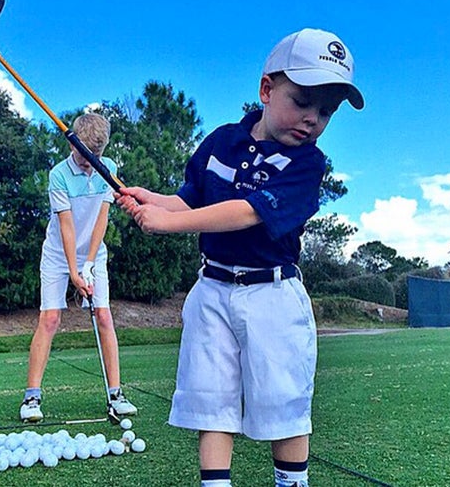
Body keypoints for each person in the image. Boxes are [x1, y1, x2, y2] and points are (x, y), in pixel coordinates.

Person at [116, 28, 364, 487]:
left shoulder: (308, 164)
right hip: (211, 291)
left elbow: (247, 213)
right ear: (267, 89)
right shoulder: (221, 141)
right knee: (212, 404)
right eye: (302, 101)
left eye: (326, 111)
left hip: (273, 296)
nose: (312, 119)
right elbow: (189, 200)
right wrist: (153, 200)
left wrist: (166, 223)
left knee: (283, 404)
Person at [20, 113, 137, 422]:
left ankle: (116, 394)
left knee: (104, 316)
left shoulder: (108, 169)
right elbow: (67, 225)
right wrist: (74, 271)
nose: (89, 163)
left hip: (94, 254)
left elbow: (102, 219)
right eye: (85, 156)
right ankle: (31, 398)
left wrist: (88, 264)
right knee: (50, 318)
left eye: (95, 156)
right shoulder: (58, 175)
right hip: (58, 254)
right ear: (72, 145)